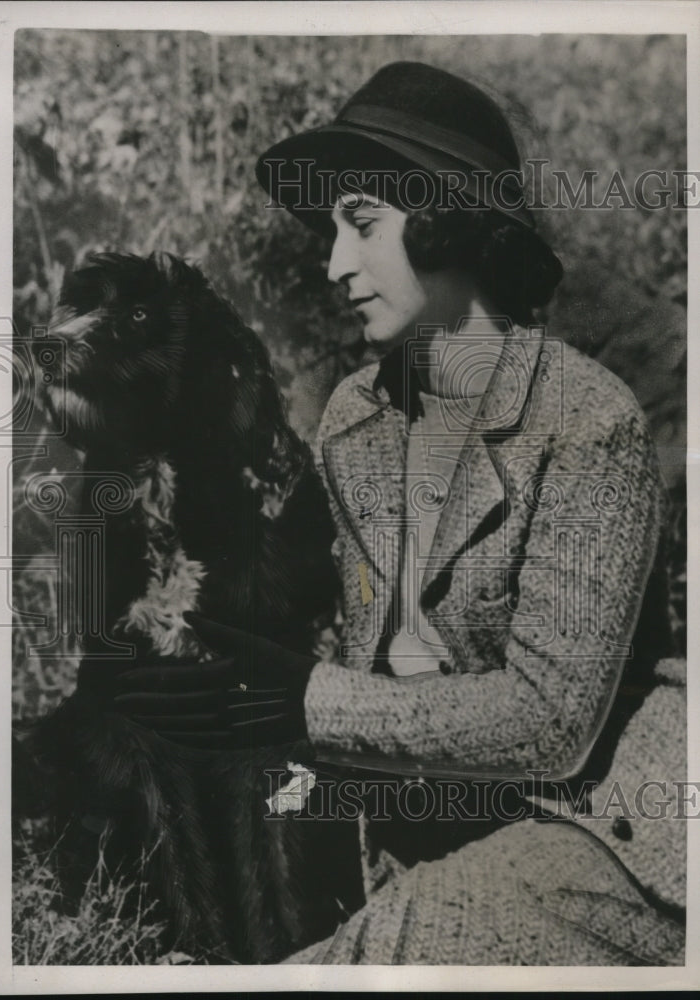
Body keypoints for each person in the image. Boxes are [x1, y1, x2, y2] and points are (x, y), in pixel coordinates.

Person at [114, 62, 684, 964]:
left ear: (443, 220)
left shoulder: (589, 422)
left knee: (391, 947)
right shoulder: (357, 417)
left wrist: (299, 697)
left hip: (604, 832)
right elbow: (387, 680)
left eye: (361, 224)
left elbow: (553, 725)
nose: (335, 263)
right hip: (441, 830)